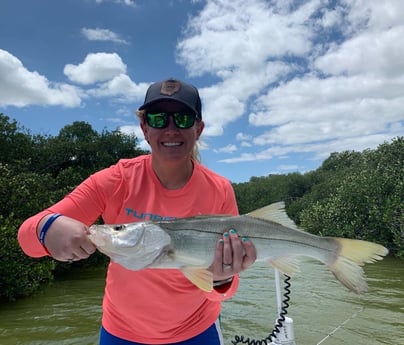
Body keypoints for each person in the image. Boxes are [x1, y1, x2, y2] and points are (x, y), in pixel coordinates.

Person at [18, 78, 257, 345]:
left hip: (197, 331)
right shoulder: (113, 181)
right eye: (157, 119)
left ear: (198, 128)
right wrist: (46, 228)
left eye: (182, 118)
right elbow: (27, 240)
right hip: (122, 333)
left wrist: (222, 278)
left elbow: (222, 292)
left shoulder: (220, 189)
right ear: (144, 128)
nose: (170, 128)